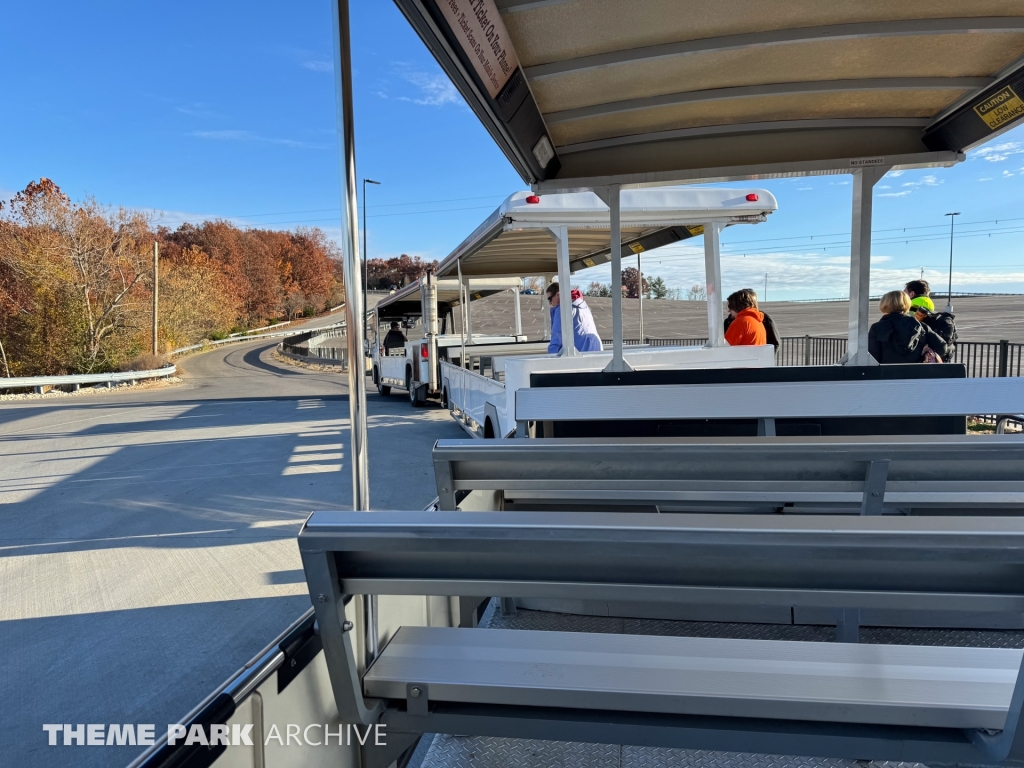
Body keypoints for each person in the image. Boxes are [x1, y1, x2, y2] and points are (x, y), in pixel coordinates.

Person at [868, 290, 946, 364]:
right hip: (916, 372)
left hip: (886, 372)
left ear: (884, 304)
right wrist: (925, 354)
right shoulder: (921, 326)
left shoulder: (877, 328)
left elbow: (872, 356)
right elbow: (942, 347)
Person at [904, 279, 957, 359]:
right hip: (933, 355)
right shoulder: (931, 308)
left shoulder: (911, 308)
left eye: (905, 293)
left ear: (912, 294)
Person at [547, 282, 603, 354]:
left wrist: (551, 356)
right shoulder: (584, 306)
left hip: (580, 354)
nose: (550, 303)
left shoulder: (563, 309)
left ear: (558, 295)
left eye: (550, 299)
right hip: (596, 350)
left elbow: (556, 339)